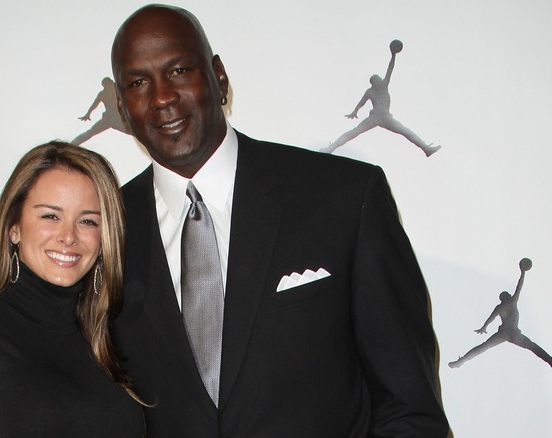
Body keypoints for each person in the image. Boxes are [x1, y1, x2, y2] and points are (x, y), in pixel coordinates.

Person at [110, 5, 449, 436]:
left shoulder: (343, 197)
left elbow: (410, 408)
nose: (161, 97)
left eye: (178, 71)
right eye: (139, 82)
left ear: (219, 77)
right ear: (123, 108)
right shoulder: (104, 233)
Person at [0, 141, 145, 437]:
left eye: (88, 221)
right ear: (14, 227)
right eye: (51, 216)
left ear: (104, 239)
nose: (68, 236)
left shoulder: (111, 344)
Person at [320, 40, 441, 157]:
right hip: (377, 117)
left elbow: (389, 69)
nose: (379, 79)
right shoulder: (375, 89)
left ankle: (426, 148)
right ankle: (330, 148)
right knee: (354, 133)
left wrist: (393, 55)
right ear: (374, 82)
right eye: (377, 78)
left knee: (405, 132)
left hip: (383, 116)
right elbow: (361, 102)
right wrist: (355, 111)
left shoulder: (379, 87)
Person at [449, 258, 552, 368]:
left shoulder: (500, 307)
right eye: (507, 295)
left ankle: (461, 361)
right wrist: (522, 273)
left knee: (485, 346)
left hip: (507, 333)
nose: (509, 295)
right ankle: (550, 360)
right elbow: (519, 287)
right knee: (532, 346)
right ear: (506, 297)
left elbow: (491, 318)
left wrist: (484, 327)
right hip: (511, 333)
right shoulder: (512, 302)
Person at [72, 77, 131, 145]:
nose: (108, 86)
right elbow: (95, 104)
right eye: (106, 85)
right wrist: (88, 114)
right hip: (109, 117)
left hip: (118, 117)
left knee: (133, 131)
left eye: (108, 84)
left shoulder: (118, 89)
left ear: (112, 82)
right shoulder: (103, 94)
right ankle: (72, 144)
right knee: (91, 132)